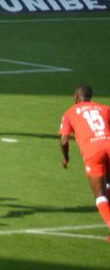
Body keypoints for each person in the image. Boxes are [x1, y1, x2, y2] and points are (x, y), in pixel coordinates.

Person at [58, 84, 110, 236]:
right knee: (108, 185)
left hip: (93, 151)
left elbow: (63, 140)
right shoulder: (104, 108)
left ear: (75, 97)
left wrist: (66, 157)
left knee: (100, 194)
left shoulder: (69, 113)